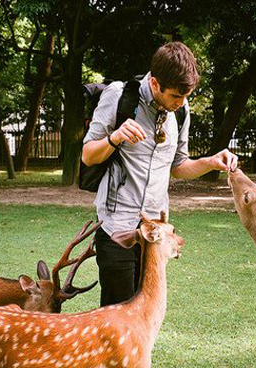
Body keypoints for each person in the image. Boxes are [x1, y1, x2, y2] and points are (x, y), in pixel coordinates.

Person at [82, 41, 238, 306]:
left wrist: (211, 162)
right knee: (117, 319)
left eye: (186, 96)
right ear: (155, 84)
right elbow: (87, 155)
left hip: (154, 234)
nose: (182, 103)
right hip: (116, 227)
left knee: (145, 314)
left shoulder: (181, 112)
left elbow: (178, 167)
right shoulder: (118, 96)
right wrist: (115, 138)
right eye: (176, 96)